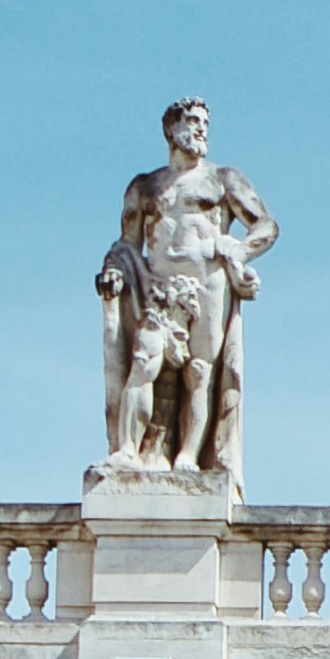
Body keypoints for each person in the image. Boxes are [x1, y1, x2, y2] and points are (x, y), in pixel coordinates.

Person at [94, 100, 273, 481]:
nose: (201, 129)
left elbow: (266, 227)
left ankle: (189, 458)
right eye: (193, 121)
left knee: (199, 372)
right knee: (145, 361)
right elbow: (127, 244)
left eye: (205, 122)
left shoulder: (223, 179)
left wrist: (238, 251)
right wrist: (115, 269)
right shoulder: (146, 186)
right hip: (159, 286)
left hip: (208, 282)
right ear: (171, 130)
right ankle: (129, 449)